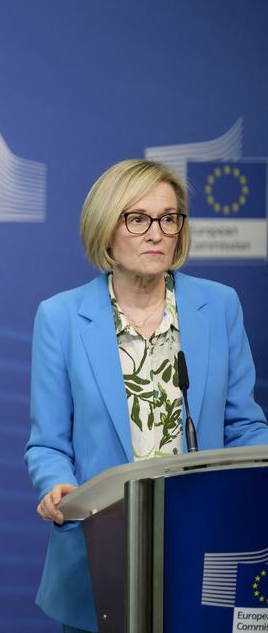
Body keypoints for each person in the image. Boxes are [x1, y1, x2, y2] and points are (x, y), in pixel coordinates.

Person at [24, 159, 268, 632]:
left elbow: (245, 427)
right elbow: (48, 444)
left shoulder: (218, 306)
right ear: (106, 229)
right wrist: (56, 486)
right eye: (137, 219)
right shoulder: (60, 317)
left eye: (168, 218)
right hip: (102, 554)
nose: (156, 233)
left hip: (206, 548)